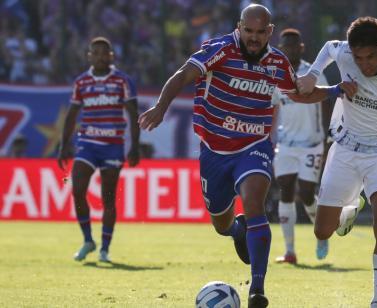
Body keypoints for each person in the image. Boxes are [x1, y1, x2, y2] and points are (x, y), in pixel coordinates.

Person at [138, 5, 300, 307]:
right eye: (248, 31)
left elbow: (301, 91)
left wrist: (335, 90)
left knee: (255, 204)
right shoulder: (220, 49)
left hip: (254, 145)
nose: (253, 38)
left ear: (270, 31)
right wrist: (161, 107)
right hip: (214, 151)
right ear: (239, 28)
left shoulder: (278, 62)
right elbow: (183, 75)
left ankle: (258, 290)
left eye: (260, 32)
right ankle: (237, 230)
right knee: (221, 224)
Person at [296, 16, 377, 307]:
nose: (363, 65)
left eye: (370, 57)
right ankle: (350, 210)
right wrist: (313, 74)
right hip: (345, 149)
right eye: (358, 58)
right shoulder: (344, 54)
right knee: (322, 231)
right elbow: (331, 47)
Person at [58, 37, 140, 263]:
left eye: (105, 53)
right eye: (96, 53)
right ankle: (88, 240)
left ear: (111, 56)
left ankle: (104, 248)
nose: (100, 56)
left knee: (108, 199)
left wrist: (135, 146)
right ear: (89, 56)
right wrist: (63, 145)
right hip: (87, 144)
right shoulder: (82, 82)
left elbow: (133, 114)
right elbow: (72, 114)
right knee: (77, 189)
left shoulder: (122, 81)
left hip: (113, 147)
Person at [270, 28, 330, 264]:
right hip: (285, 144)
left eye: (294, 46)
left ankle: (322, 234)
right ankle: (290, 251)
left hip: (311, 143)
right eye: (286, 46)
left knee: (305, 193)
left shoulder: (313, 74)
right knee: (285, 191)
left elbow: (326, 102)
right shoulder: (276, 76)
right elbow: (273, 107)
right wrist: (268, 136)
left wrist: (327, 138)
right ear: (280, 49)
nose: (290, 50)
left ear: (301, 48)